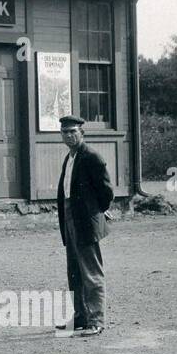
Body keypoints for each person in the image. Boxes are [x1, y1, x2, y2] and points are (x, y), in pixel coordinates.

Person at [54, 115, 114, 337]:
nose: (69, 135)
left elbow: (106, 192)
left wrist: (96, 212)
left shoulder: (91, 157)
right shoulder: (70, 158)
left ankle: (96, 320)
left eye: (73, 132)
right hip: (70, 219)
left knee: (91, 272)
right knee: (74, 271)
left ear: (82, 133)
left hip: (86, 222)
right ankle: (80, 316)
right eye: (65, 132)